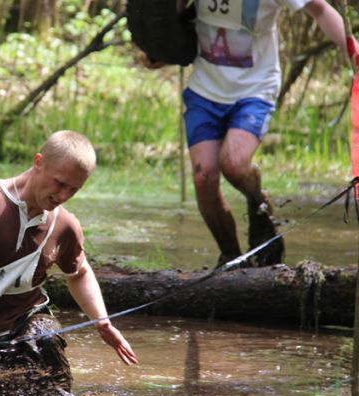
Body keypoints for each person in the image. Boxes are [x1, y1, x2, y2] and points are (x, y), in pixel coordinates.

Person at [0, 130, 137, 390]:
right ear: (39, 161)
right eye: (60, 183)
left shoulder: (64, 226)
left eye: (73, 190)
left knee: (42, 345)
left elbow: (80, 273)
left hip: (30, 322)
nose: (63, 196)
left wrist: (102, 322)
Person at [144, 0, 349, 267]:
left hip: (255, 89)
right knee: (203, 175)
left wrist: (351, 48)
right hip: (205, 89)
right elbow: (169, 15)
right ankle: (230, 258)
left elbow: (319, 9)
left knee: (234, 163)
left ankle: (259, 203)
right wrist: (160, 49)